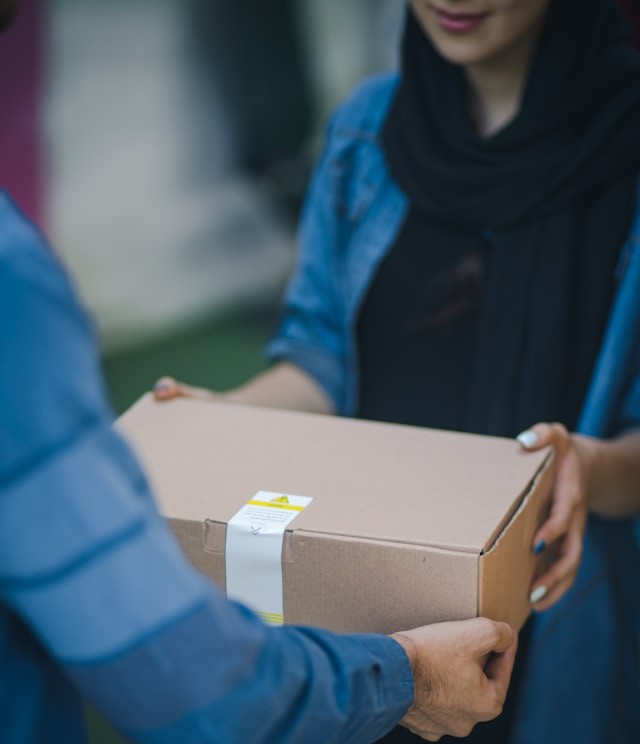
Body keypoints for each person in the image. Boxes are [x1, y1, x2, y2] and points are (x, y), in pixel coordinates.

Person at [0, 3, 522, 744]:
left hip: (536, 586)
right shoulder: (366, 130)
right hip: (388, 612)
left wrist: (588, 469)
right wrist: (406, 676)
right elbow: (192, 681)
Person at [155, 0, 640, 741]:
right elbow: (322, 362)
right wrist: (217, 419)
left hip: (559, 612)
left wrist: (587, 469)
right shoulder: (365, 129)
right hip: (370, 607)